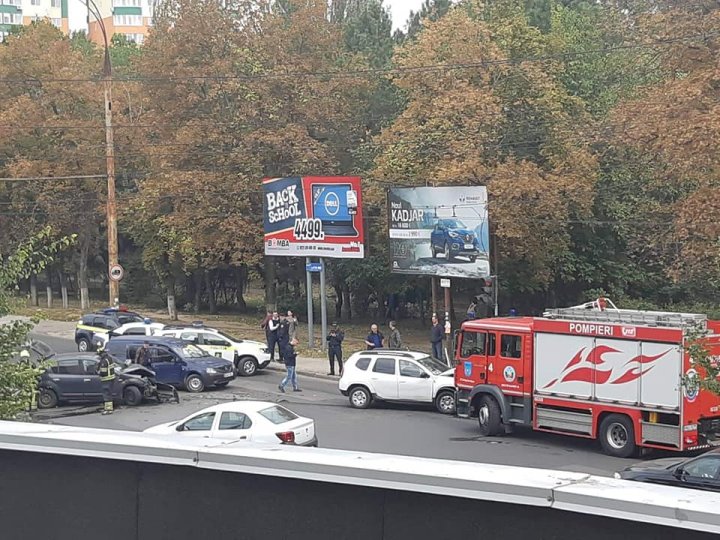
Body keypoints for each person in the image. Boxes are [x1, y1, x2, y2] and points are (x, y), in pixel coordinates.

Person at [96, 348, 116, 415]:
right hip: (111, 379)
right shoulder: (109, 358)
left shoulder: (104, 361)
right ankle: (109, 408)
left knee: (106, 395)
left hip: (106, 380)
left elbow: (103, 372)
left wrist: (98, 372)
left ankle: (108, 410)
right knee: (109, 394)